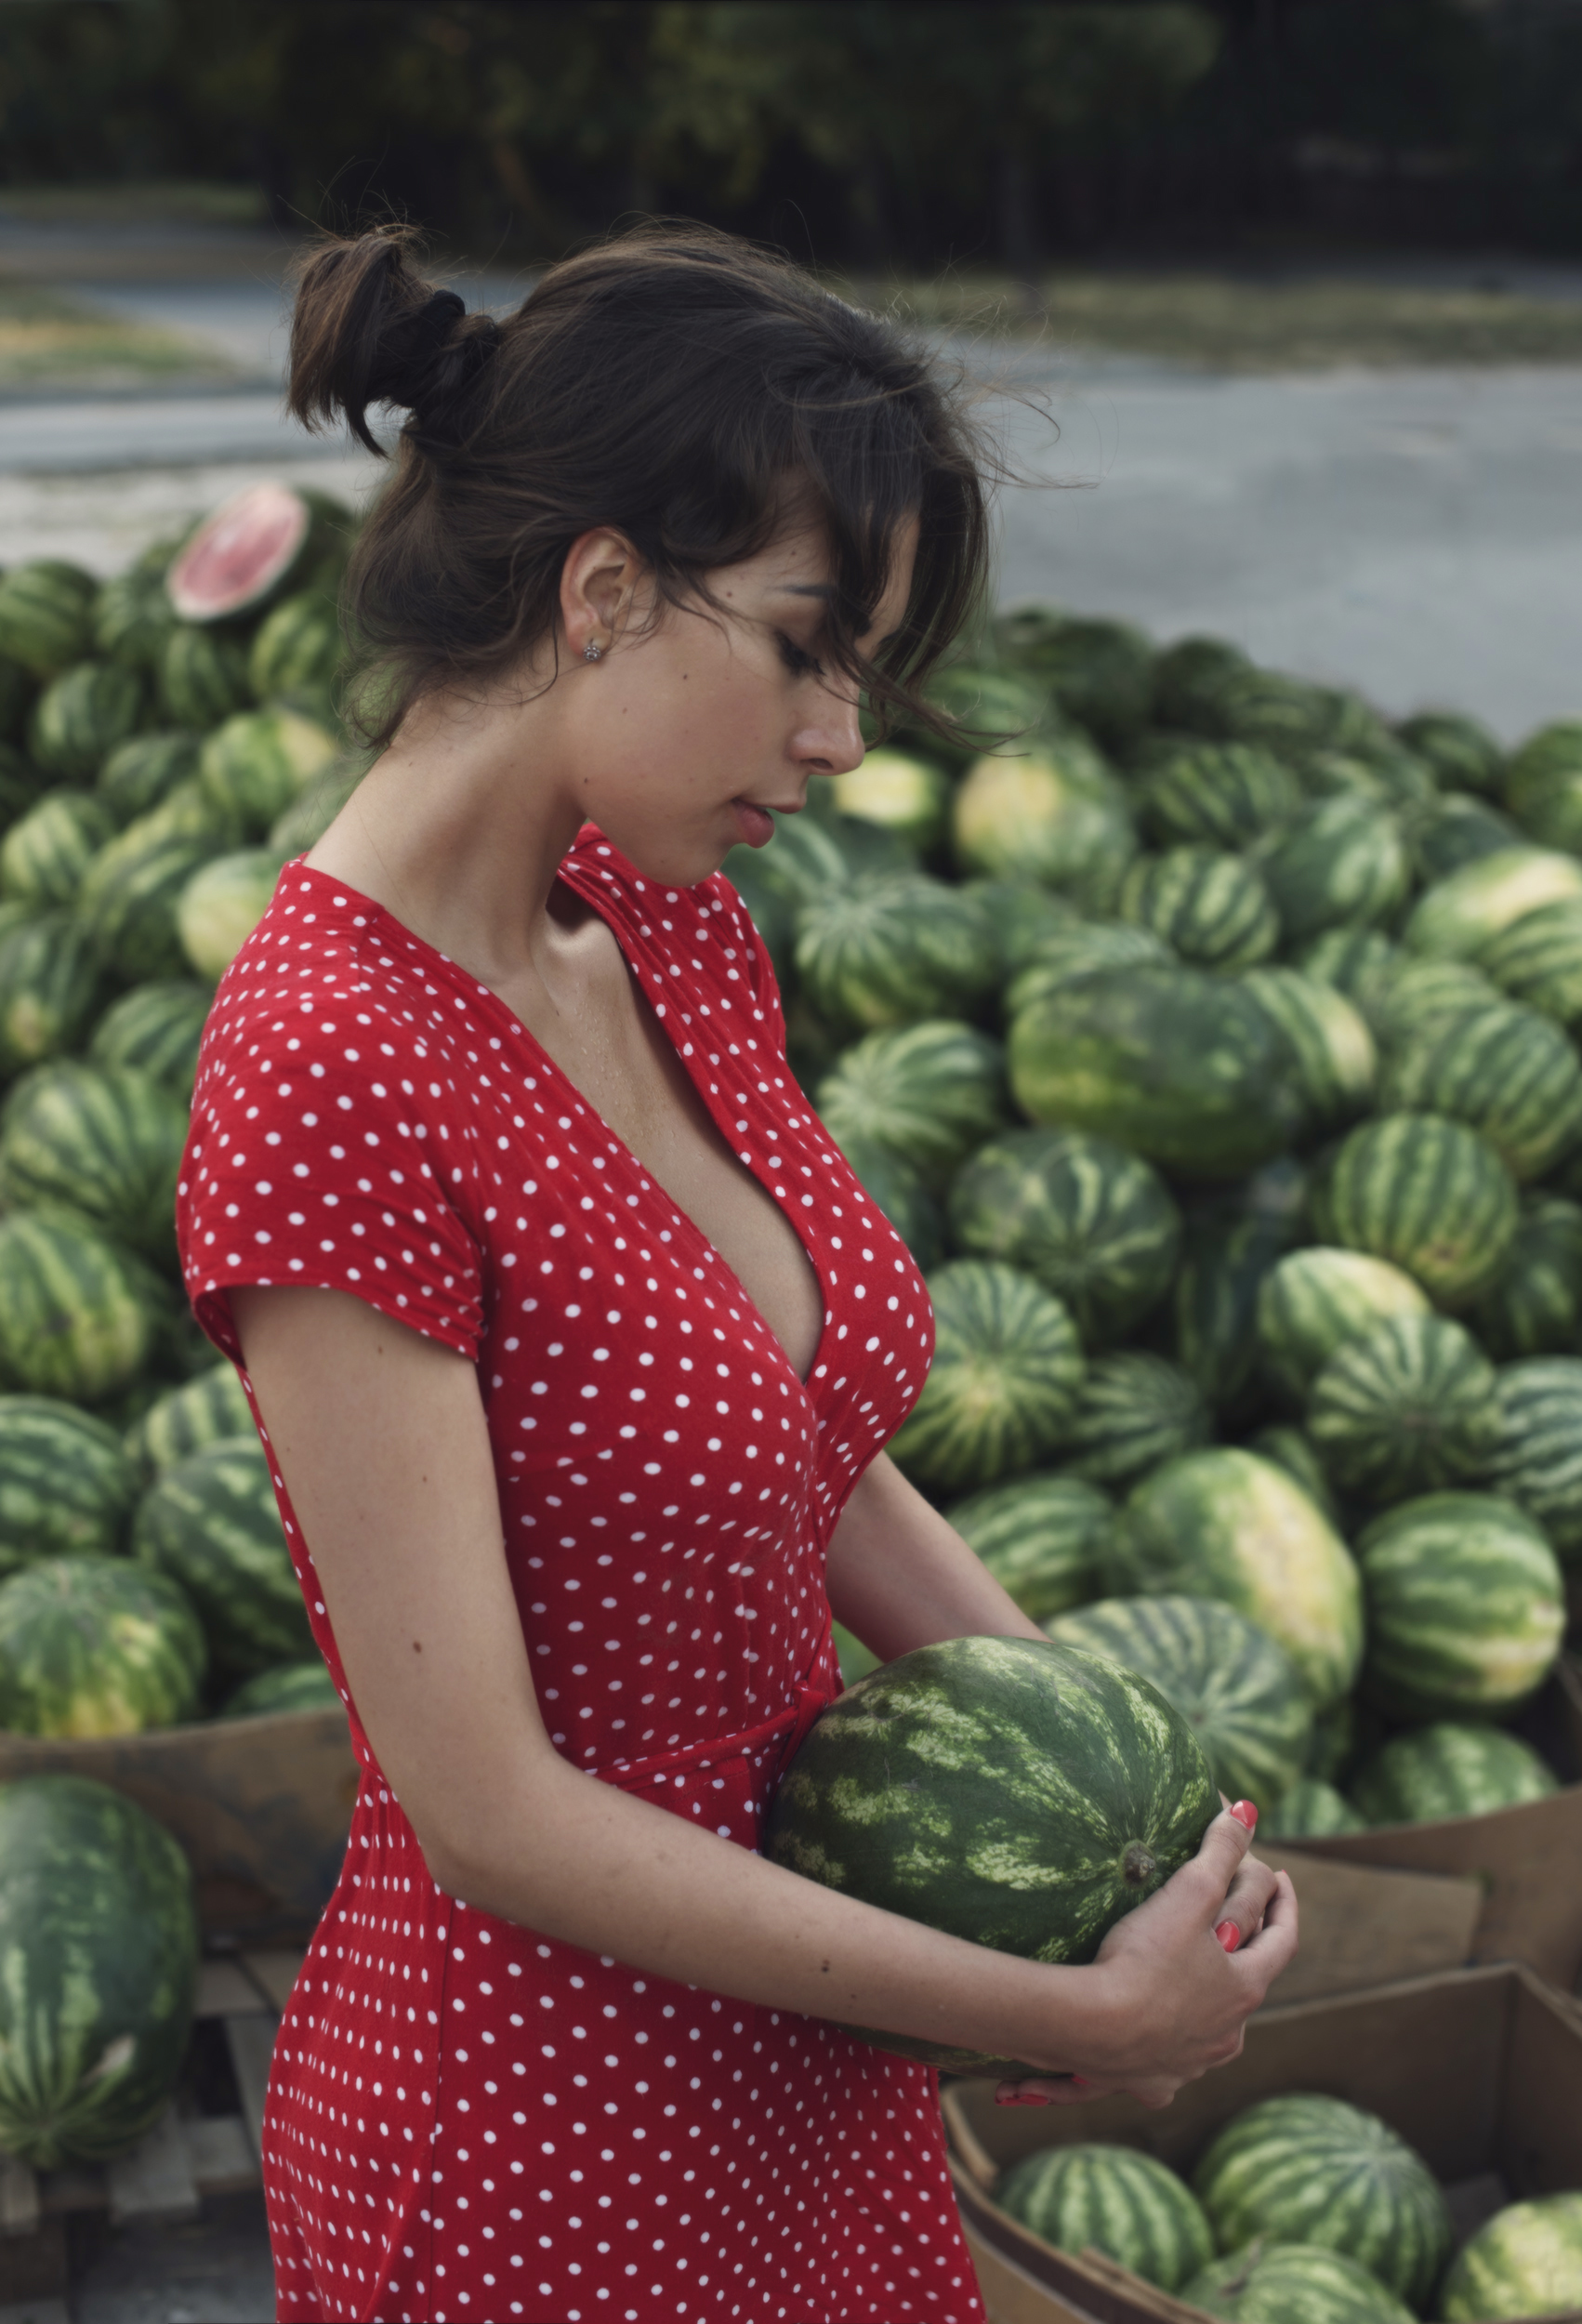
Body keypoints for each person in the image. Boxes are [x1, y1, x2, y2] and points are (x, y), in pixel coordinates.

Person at [176, 220, 1298, 2324]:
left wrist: (1163, 1829)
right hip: (545, 2150)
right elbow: (492, 1805)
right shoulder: (330, 1058)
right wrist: (1042, 1999)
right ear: (601, 589)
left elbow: (819, 1464)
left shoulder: (659, 914)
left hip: (811, 2065)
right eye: (809, 644)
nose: (850, 734)